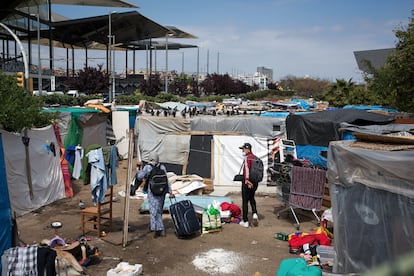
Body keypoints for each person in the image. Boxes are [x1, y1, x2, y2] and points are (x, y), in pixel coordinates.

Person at [136, 152, 174, 238]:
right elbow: (166, 180)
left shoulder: (147, 167)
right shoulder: (162, 167)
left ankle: (157, 229)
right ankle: (159, 228)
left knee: (153, 211)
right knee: (159, 211)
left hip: (152, 192)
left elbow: (139, 177)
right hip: (162, 192)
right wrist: (170, 191)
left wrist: (138, 169)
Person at [238, 142, 259, 228]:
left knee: (245, 201)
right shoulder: (256, 158)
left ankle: (245, 221)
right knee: (252, 198)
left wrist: (247, 181)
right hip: (255, 183)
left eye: (243, 149)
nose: (242, 150)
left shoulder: (248, 158)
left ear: (247, 149)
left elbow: (247, 170)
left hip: (247, 183)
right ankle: (254, 213)